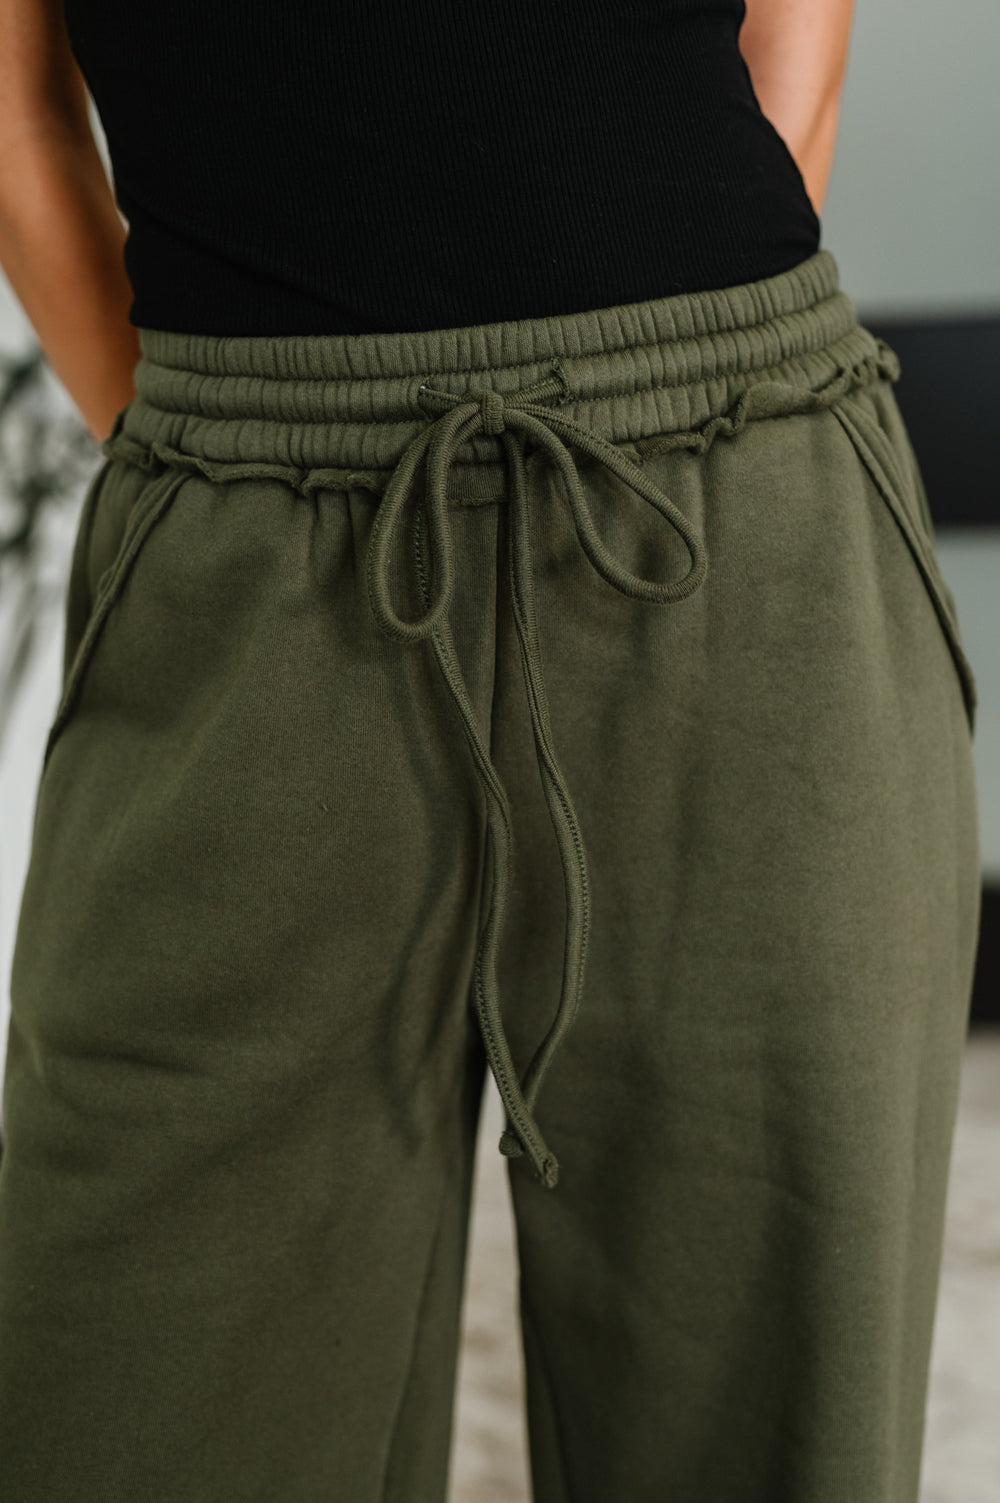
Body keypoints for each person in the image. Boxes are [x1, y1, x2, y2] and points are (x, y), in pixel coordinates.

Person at [0, 3, 981, 1501]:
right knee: (138, 1395)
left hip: (728, 526)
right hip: (249, 545)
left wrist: (665, 378)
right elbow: (17, 113)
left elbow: (797, 44)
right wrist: (232, 458)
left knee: (771, 1427)